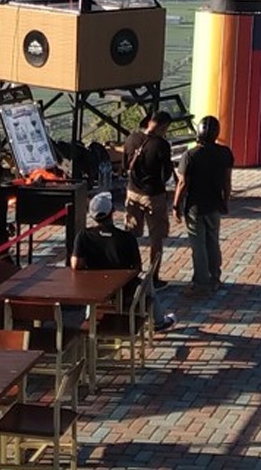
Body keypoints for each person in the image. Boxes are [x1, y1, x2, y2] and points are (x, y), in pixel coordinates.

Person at [70, 191, 174, 332]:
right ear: (112, 212)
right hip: (124, 292)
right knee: (147, 286)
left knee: (95, 292)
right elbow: (137, 268)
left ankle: (91, 320)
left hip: (94, 290)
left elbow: (76, 265)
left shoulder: (83, 236)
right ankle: (159, 322)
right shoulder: (126, 238)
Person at [173, 115, 235, 292]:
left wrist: (176, 205)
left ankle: (201, 282)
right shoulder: (225, 153)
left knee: (198, 244)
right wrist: (226, 200)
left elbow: (183, 183)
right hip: (215, 203)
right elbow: (227, 181)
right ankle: (215, 276)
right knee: (212, 241)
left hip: (195, 206)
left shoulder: (190, 155)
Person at [122, 110, 176, 285]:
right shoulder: (162, 145)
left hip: (132, 192)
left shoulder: (131, 139)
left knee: (131, 236)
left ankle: (129, 273)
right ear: (163, 126)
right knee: (156, 238)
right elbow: (166, 175)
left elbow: (124, 165)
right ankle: (153, 277)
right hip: (153, 195)